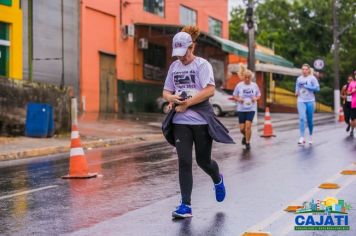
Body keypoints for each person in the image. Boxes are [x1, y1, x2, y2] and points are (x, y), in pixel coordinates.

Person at [162, 26, 234, 219]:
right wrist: (172, 99)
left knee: (203, 161)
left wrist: (187, 104)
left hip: (201, 121)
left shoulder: (202, 65)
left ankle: (217, 178)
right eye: (177, 54)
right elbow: (166, 91)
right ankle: (185, 205)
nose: (180, 58)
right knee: (184, 162)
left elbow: (209, 90)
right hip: (180, 122)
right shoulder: (174, 67)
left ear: (191, 47)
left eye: (183, 53)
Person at [233, 65, 261, 150]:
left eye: (249, 77)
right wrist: (239, 99)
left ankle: (248, 142)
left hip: (251, 109)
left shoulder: (254, 85)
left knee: (248, 127)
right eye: (246, 77)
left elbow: (259, 95)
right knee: (242, 129)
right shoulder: (239, 85)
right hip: (241, 109)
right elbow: (234, 96)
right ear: (243, 77)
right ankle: (245, 136)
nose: (247, 79)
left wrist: (255, 98)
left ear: (251, 77)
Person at [295, 64, 320, 145]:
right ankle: (302, 137)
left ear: (309, 70)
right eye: (303, 69)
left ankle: (310, 135)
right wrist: (296, 91)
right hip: (301, 100)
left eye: (306, 69)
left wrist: (307, 86)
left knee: (310, 120)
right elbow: (297, 87)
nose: (304, 71)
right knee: (302, 118)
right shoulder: (299, 78)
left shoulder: (312, 78)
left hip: (310, 101)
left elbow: (317, 88)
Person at [347, 71, 356, 135]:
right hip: (354, 103)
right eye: (355, 74)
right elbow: (348, 92)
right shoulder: (352, 83)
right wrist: (351, 91)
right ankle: (352, 130)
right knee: (353, 118)